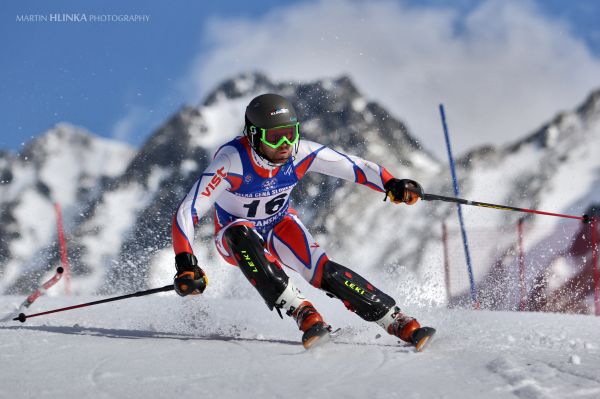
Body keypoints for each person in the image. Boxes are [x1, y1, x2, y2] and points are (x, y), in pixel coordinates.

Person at [172, 93, 435, 350]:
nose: (285, 144)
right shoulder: (231, 162)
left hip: (280, 224)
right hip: (233, 234)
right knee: (241, 233)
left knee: (324, 272)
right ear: (253, 136)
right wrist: (186, 263)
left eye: (290, 133)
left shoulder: (301, 152)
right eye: (274, 138)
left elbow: (355, 167)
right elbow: (188, 210)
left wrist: (392, 183)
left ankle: (397, 320)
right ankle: (303, 312)